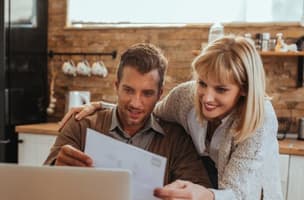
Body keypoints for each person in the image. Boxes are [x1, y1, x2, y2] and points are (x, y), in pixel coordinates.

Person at [59, 36, 283, 199]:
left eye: (221, 89)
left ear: (243, 89)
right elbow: (149, 109)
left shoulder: (260, 119)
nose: (207, 98)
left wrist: (206, 195)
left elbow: (239, 192)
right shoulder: (186, 96)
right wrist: (103, 107)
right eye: (202, 83)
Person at [44, 43, 211, 187]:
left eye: (147, 94)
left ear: (160, 94)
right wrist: (56, 168)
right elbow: (43, 183)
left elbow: (199, 190)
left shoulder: (176, 139)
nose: (135, 103)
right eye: (128, 90)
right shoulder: (81, 125)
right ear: (116, 86)